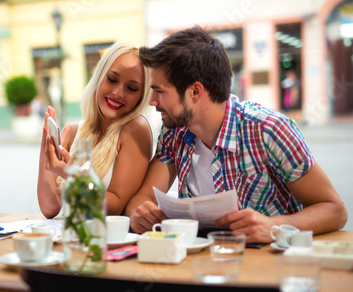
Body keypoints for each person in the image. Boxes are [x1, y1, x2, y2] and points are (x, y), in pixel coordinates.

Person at [125, 26, 347, 244]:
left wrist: (273, 227)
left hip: (268, 266)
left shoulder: (268, 130)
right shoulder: (173, 131)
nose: (152, 101)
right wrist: (140, 213)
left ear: (195, 91)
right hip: (202, 264)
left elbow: (334, 210)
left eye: (160, 92)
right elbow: (144, 198)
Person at [37, 41, 153, 218]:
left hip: (107, 241)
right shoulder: (75, 131)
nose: (118, 93)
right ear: (99, 76)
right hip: (72, 237)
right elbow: (49, 208)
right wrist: (46, 151)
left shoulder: (136, 128)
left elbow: (114, 207)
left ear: (141, 96)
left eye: (131, 88)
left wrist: (73, 176)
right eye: (112, 79)